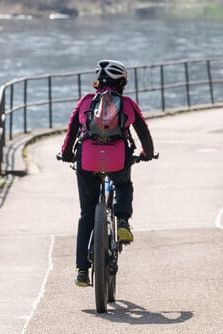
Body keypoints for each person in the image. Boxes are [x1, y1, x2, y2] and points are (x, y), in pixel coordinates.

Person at [58, 59, 155, 287]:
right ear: (121, 82)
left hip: (87, 159)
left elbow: (72, 130)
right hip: (118, 157)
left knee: (86, 214)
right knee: (122, 184)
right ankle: (121, 220)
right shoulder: (128, 103)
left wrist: (66, 154)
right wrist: (147, 153)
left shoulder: (85, 101)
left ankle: (82, 270)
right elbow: (143, 132)